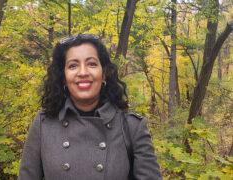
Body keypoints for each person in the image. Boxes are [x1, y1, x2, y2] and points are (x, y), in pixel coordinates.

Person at [18, 34, 162, 180]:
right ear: (63, 78)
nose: (83, 72)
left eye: (91, 64)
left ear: (104, 74)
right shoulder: (44, 124)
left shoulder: (132, 127)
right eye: (73, 66)